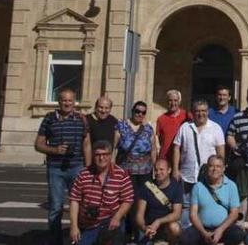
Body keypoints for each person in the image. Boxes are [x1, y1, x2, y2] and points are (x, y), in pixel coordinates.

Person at [34, 87, 89, 245]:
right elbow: (38, 144)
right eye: (64, 100)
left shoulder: (81, 119)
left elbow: (87, 144)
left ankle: (79, 240)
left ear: (74, 102)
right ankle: (55, 240)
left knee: (80, 206)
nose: (67, 103)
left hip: (77, 167)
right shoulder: (49, 118)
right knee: (56, 208)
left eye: (70, 100)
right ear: (59, 102)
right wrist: (54, 150)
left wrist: (89, 167)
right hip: (56, 168)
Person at [68, 140, 134, 245]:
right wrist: (74, 227)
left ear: (111, 155)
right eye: (98, 155)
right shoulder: (83, 174)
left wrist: (117, 217)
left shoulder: (121, 174)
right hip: (88, 224)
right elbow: (74, 200)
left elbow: (128, 200)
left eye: (105, 154)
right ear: (93, 156)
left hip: (110, 221)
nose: (101, 158)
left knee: (117, 235)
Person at [116, 101, 157, 240]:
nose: (140, 114)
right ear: (132, 111)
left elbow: (153, 149)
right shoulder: (121, 126)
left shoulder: (148, 129)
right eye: (137, 111)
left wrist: (155, 167)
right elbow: (114, 148)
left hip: (145, 172)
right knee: (127, 202)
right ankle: (125, 232)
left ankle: (139, 233)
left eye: (143, 112)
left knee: (141, 202)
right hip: (126, 172)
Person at [183, 155, 245, 245]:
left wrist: (220, 230)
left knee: (237, 234)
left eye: (218, 166)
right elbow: (193, 214)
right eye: (211, 166)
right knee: (186, 237)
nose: (214, 169)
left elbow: (234, 213)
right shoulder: (198, 187)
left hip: (223, 227)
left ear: (223, 169)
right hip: (202, 228)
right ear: (207, 167)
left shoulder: (231, 186)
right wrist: (204, 233)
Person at [174, 99, 226, 199]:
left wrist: (220, 172)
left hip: (208, 178)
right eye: (197, 111)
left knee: (205, 208)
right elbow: (176, 148)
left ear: (208, 112)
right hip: (187, 177)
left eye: (203, 111)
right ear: (193, 112)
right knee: (186, 209)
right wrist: (175, 169)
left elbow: (220, 154)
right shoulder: (185, 127)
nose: (200, 114)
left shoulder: (216, 128)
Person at [135, 158, 183, 245]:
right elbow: (139, 214)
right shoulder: (147, 187)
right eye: (156, 170)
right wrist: (144, 227)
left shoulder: (176, 187)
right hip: (149, 226)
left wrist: (159, 221)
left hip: (166, 225)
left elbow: (177, 213)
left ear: (169, 170)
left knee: (175, 228)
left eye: (161, 169)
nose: (158, 172)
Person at [156, 89, 191, 165]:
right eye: (170, 100)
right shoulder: (161, 119)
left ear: (179, 101)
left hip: (182, 159)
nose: (173, 103)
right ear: (167, 102)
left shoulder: (187, 116)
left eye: (175, 100)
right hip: (166, 159)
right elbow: (160, 140)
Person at [84, 96, 119, 162]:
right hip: (91, 161)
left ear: (110, 109)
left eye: (106, 108)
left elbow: (114, 145)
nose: (103, 111)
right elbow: (86, 145)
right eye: (101, 107)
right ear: (96, 107)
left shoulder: (113, 121)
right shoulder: (87, 120)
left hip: (107, 162)